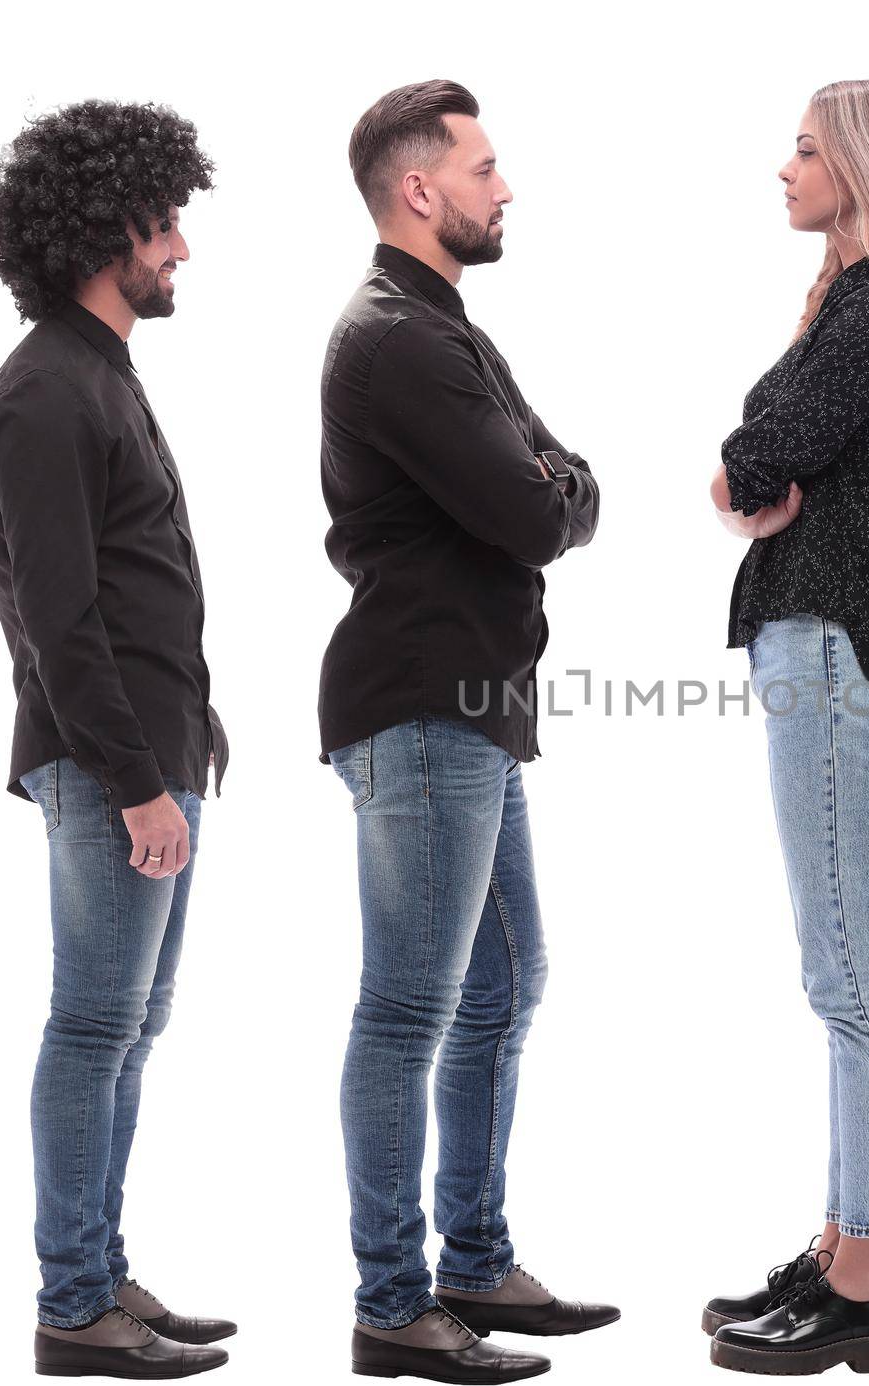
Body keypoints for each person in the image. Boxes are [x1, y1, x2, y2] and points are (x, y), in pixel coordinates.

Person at [318, 80, 618, 1383]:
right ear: (418, 189)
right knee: (410, 1007)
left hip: (481, 712)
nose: (507, 190)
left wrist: (554, 485)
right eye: (486, 169)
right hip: (425, 705)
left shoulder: (452, 334)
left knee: (503, 984)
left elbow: (571, 484)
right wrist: (551, 486)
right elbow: (541, 509)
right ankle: (393, 1302)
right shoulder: (396, 339)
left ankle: (473, 1259)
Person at [702, 79, 869, 1376]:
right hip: (826, 648)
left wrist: (741, 478)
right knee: (846, 971)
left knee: (853, 975)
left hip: (839, 651)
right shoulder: (860, 309)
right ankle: (843, 1238)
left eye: (806, 147)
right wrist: (756, 473)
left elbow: (762, 457)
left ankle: (868, 1280)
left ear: (861, 166)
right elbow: (775, 456)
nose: (785, 166)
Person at [0, 99, 235, 1378]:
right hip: (107, 766)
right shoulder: (42, 394)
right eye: (165, 221)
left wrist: (196, 738)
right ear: (102, 227)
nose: (180, 245)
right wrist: (138, 784)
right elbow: (58, 623)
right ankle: (73, 1305)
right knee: (92, 1028)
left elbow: (138, 583)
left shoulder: (100, 373)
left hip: (154, 756)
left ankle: (104, 1272)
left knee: (132, 1028)